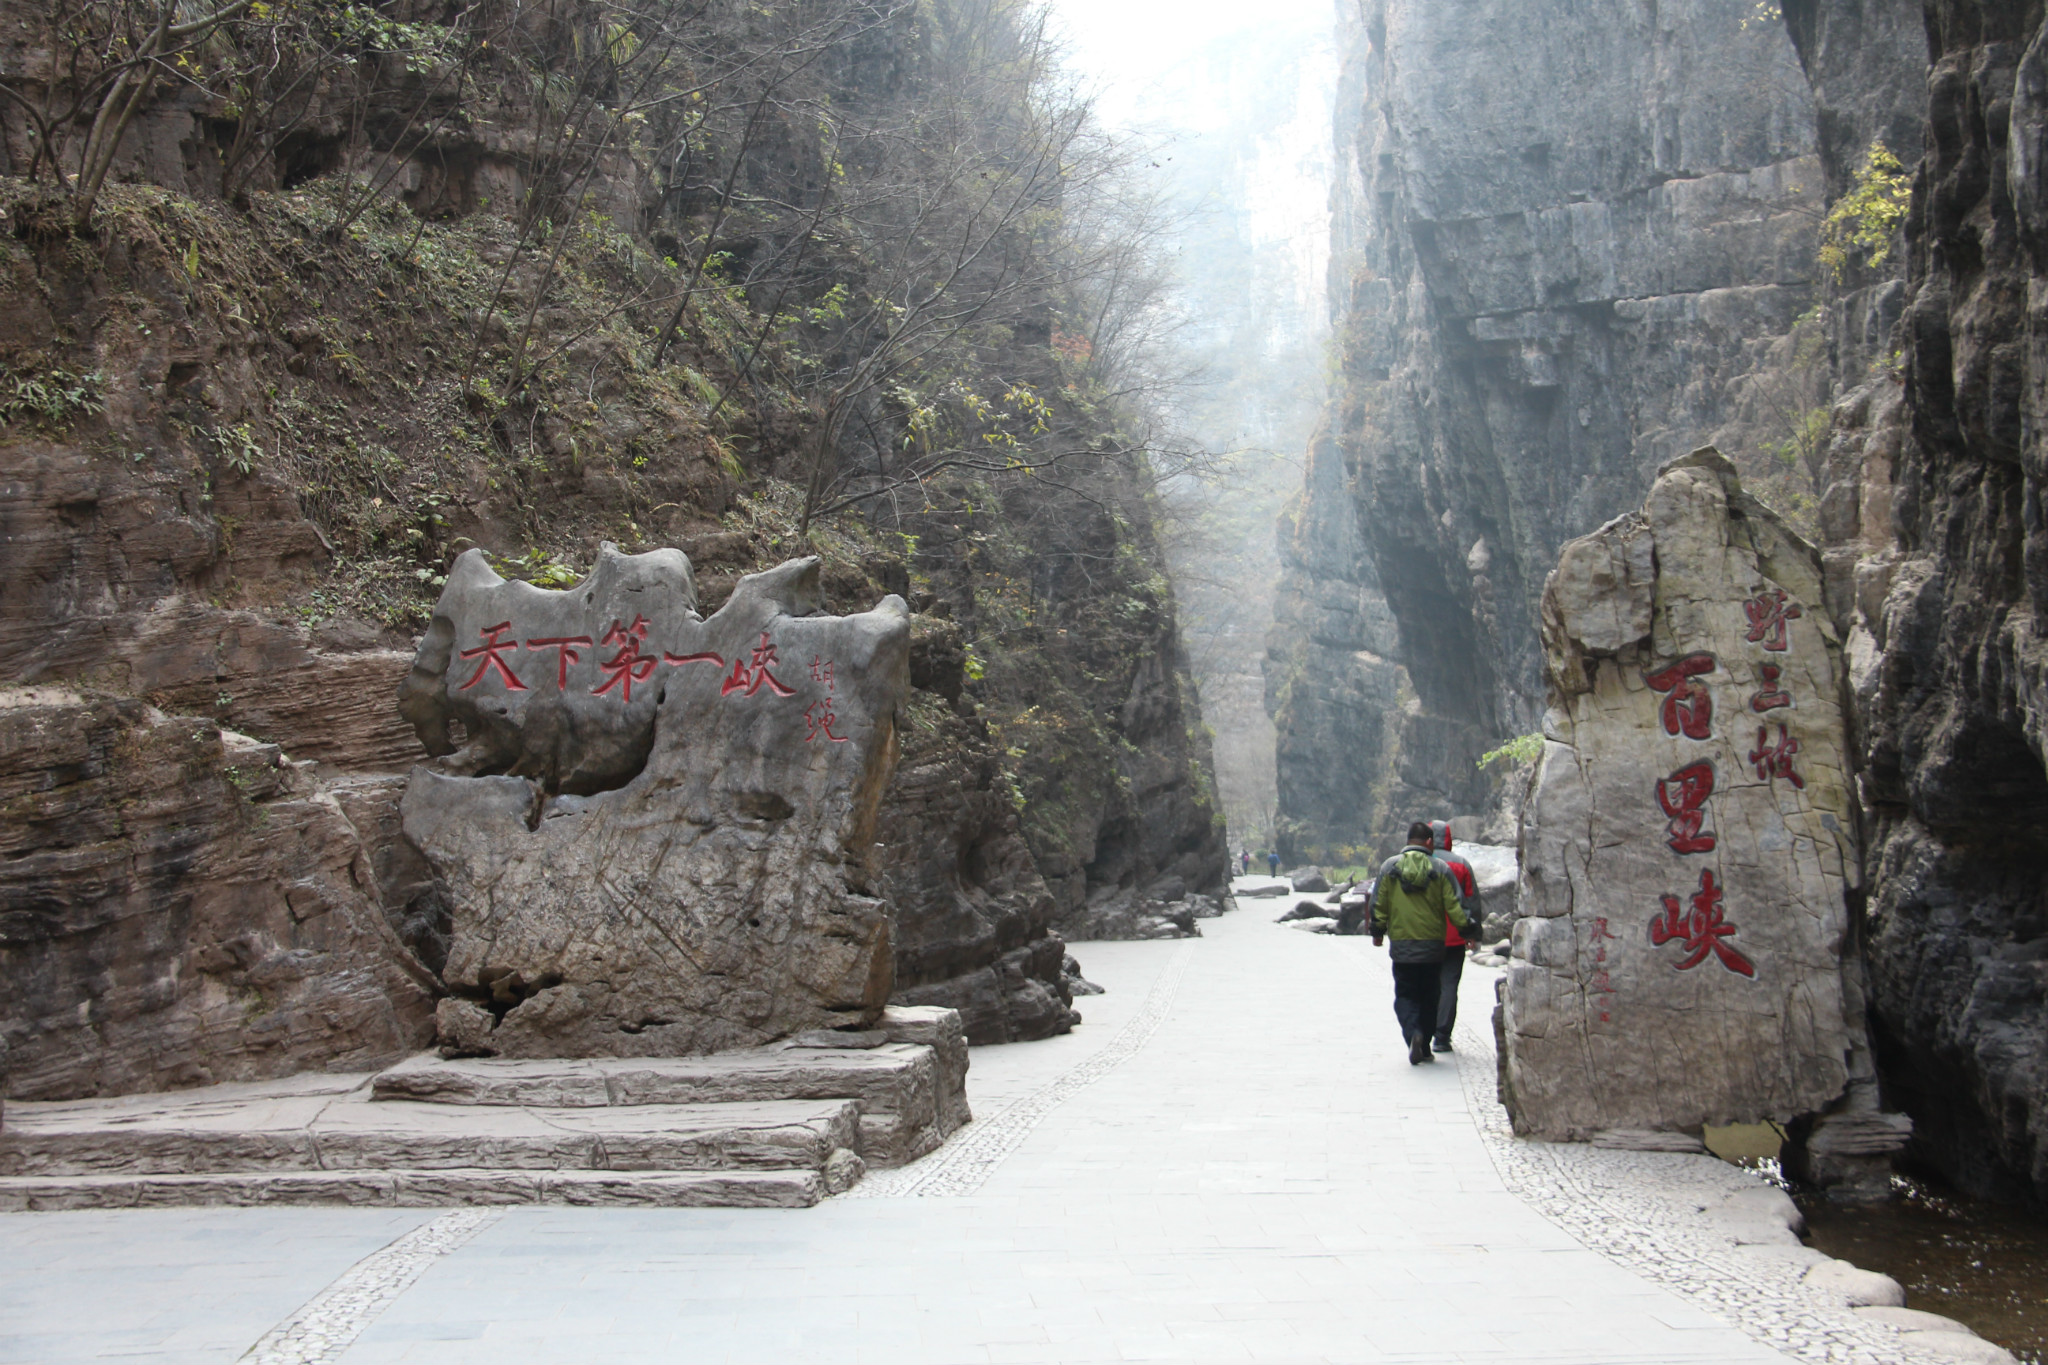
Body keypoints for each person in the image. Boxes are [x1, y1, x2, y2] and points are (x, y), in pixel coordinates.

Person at [1371, 821, 1477, 1065]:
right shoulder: (1440, 869)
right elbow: (1455, 905)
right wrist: (1468, 931)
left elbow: (1379, 903)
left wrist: (1377, 930)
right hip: (1432, 946)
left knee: (1405, 994)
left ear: (1408, 840)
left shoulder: (1389, 867)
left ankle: (1413, 1034)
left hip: (1402, 945)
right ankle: (1426, 1043)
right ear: (1429, 842)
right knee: (1431, 995)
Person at [1428, 820, 1483, 1053]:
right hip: (1454, 936)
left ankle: (1422, 1029)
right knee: (1449, 984)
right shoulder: (1461, 864)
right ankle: (1442, 1036)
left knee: (1426, 984)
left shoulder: (1421, 862)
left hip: (1425, 935)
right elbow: (1471, 901)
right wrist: (1473, 934)